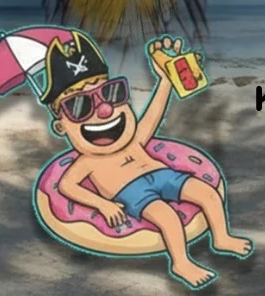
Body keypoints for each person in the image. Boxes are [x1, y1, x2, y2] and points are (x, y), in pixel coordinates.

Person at [40, 32, 253, 289]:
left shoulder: (134, 139)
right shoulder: (87, 161)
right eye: (79, 106)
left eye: (111, 92)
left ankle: (221, 238)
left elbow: (154, 114)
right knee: (167, 217)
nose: (104, 110)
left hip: (164, 175)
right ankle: (181, 263)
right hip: (132, 192)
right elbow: (67, 186)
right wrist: (103, 204)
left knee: (208, 194)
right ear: (61, 127)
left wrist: (165, 79)